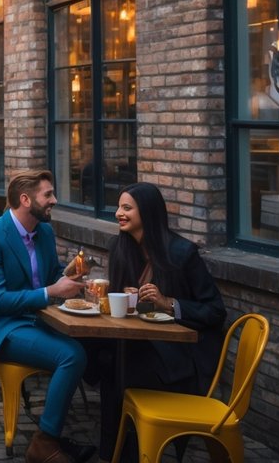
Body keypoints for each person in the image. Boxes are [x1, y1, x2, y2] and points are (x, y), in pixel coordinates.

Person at [0, 169, 94, 463]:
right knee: (71, 354)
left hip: (36, 319)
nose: (55, 200)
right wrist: (50, 292)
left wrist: (71, 275)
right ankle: (44, 442)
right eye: (48, 194)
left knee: (97, 344)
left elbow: (51, 275)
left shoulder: (44, 230)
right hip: (0, 327)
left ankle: (106, 433)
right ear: (25, 199)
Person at [99, 182, 226, 461]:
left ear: (148, 212)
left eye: (126, 208)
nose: (119, 213)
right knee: (103, 358)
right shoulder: (122, 249)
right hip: (143, 344)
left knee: (123, 362)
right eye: (119, 207)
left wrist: (168, 302)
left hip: (182, 357)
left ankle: (127, 452)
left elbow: (215, 310)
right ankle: (114, 451)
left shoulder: (181, 254)